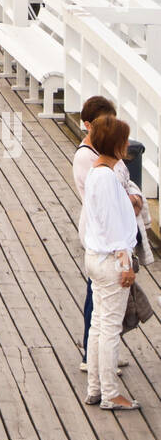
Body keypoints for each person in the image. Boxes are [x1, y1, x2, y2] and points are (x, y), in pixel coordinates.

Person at [72, 95, 140, 372]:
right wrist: (124, 264)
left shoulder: (106, 165)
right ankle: (94, 358)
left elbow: (128, 186)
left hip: (103, 243)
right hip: (102, 244)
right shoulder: (90, 162)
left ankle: (98, 356)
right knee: (98, 306)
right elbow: (112, 213)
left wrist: (132, 196)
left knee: (100, 306)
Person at [83, 115, 140, 411]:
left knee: (97, 325)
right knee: (109, 329)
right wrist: (125, 263)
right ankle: (110, 393)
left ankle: (95, 387)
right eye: (125, 139)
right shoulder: (106, 178)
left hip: (95, 257)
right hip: (111, 259)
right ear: (116, 143)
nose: (128, 144)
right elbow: (112, 223)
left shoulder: (97, 171)